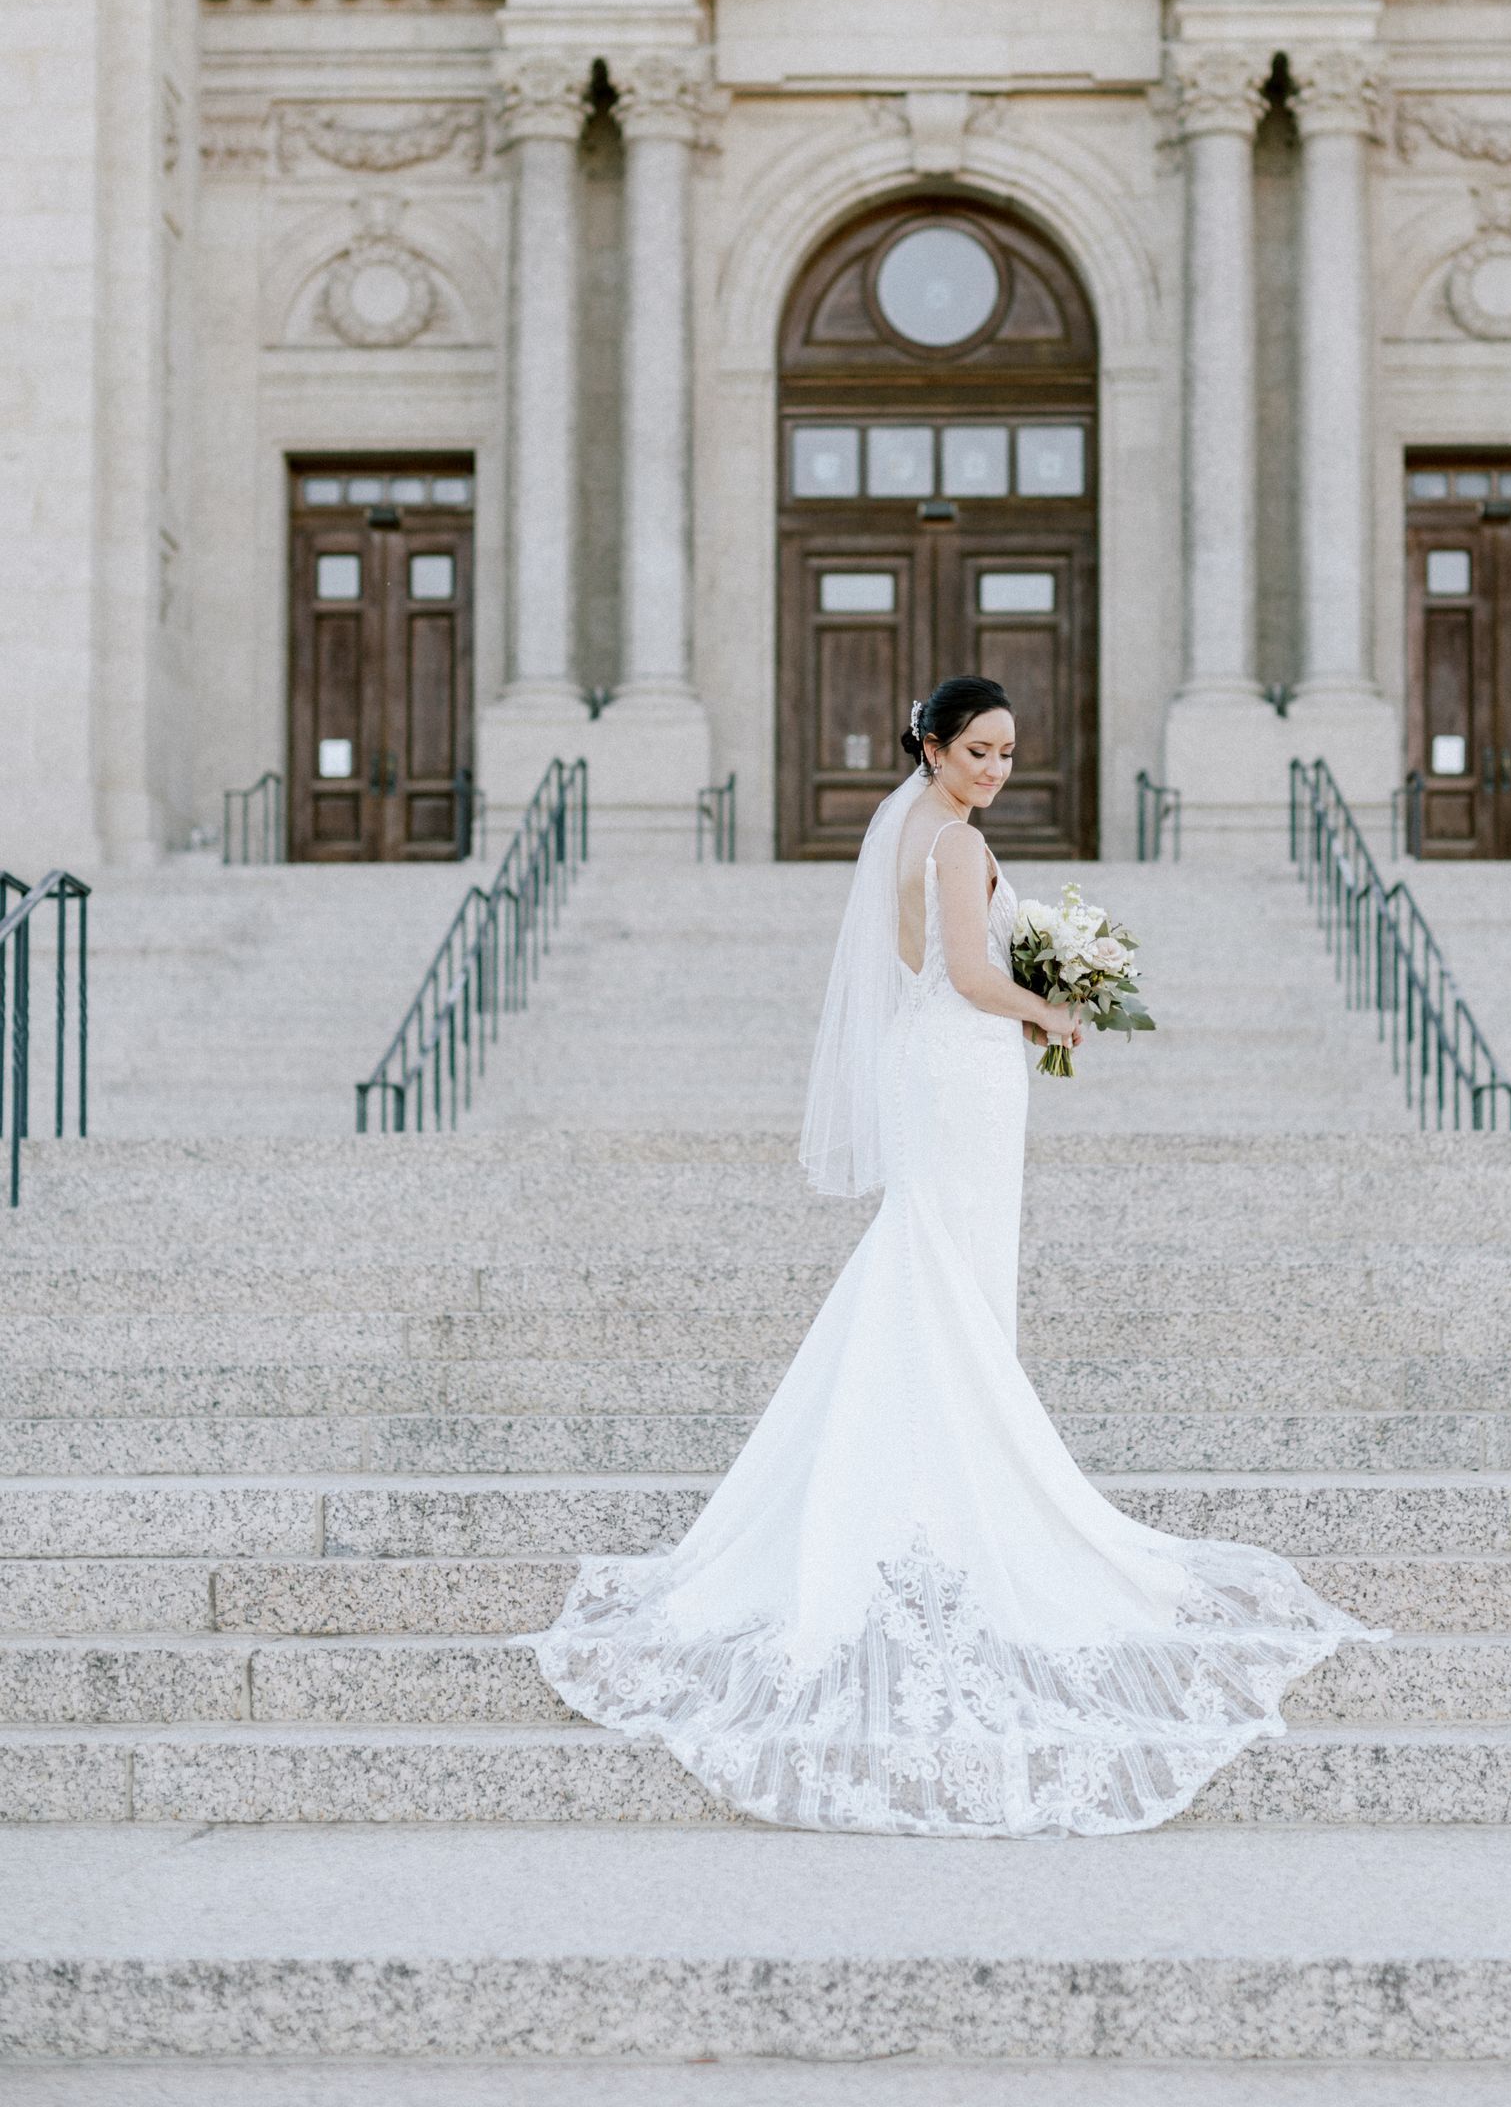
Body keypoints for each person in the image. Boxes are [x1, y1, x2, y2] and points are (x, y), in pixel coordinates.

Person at [532, 676, 1382, 1835]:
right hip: (964, 1064)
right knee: (952, 1273)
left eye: (1007, 752)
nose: (995, 770)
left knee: (933, 1265)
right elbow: (975, 978)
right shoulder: (952, 844)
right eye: (978, 749)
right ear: (931, 746)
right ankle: (955, 1499)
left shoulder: (912, 836)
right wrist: (1057, 1012)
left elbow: (918, 968)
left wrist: (1027, 994)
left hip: (936, 1067)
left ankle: (923, 1485)